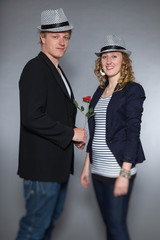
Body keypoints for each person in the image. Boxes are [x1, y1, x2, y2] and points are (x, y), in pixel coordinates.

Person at [16, 8, 87, 240]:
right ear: (42, 37)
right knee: (34, 228)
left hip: (56, 167)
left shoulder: (57, 70)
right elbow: (32, 117)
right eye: (55, 36)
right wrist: (70, 133)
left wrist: (70, 137)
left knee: (46, 227)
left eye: (66, 37)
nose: (62, 42)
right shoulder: (36, 68)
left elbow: (56, 113)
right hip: (42, 169)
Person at [80, 34, 146, 240]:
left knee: (117, 227)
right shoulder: (99, 92)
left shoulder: (133, 90)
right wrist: (86, 167)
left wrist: (124, 176)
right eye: (104, 57)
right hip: (97, 171)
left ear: (123, 60)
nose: (108, 61)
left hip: (118, 170)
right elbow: (95, 133)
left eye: (114, 56)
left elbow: (133, 133)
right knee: (109, 225)